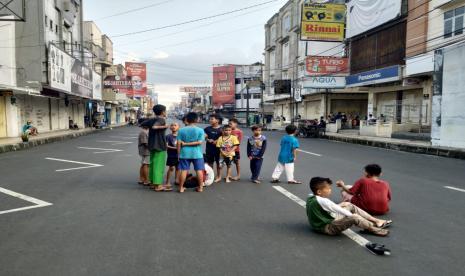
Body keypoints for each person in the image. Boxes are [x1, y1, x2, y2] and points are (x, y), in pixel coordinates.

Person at [306, 177, 391, 237]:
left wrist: (342, 205)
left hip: (318, 224)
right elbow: (340, 211)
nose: (330, 190)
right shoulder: (324, 200)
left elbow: (327, 207)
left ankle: (376, 221)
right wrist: (356, 218)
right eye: (328, 189)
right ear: (319, 191)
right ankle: (372, 228)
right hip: (327, 228)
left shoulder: (311, 197)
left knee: (348, 205)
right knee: (354, 217)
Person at [140, 105, 170, 192]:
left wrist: (150, 122)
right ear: (162, 112)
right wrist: (165, 126)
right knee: (158, 165)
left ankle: (153, 183)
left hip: (151, 144)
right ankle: (158, 185)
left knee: (153, 164)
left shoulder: (152, 119)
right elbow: (154, 127)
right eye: (165, 110)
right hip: (160, 145)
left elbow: (141, 123)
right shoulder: (161, 120)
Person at [177, 112, 205, 193]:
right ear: (196, 120)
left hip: (184, 153)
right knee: (199, 170)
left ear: (187, 120)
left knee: (184, 170)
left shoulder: (181, 130)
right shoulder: (200, 130)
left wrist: (178, 154)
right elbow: (199, 142)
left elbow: (179, 143)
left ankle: (181, 188)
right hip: (197, 153)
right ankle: (200, 187)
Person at [204, 114, 223, 183]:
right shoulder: (207, 129)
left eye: (212, 119)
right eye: (210, 119)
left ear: (217, 120)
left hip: (219, 149)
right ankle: (211, 176)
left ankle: (219, 176)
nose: (210, 120)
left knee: (219, 163)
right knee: (210, 163)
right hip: (209, 148)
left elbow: (225, 137)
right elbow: (205, 137)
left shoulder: (222, 129)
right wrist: (208, 139)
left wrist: (217, 141)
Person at [165, 123, 180, 190]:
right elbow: (166, 145)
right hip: (171, 155)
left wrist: (179, 148)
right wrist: (175, 148)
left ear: (178, 127)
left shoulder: (180, 136)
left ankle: (176, 180)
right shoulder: (168, 136)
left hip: (179, 155)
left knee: (178, 168)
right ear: (170, 127)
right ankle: (167, 182)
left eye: (175, 125)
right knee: (171, 168)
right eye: (172, 125)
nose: (173, 127)